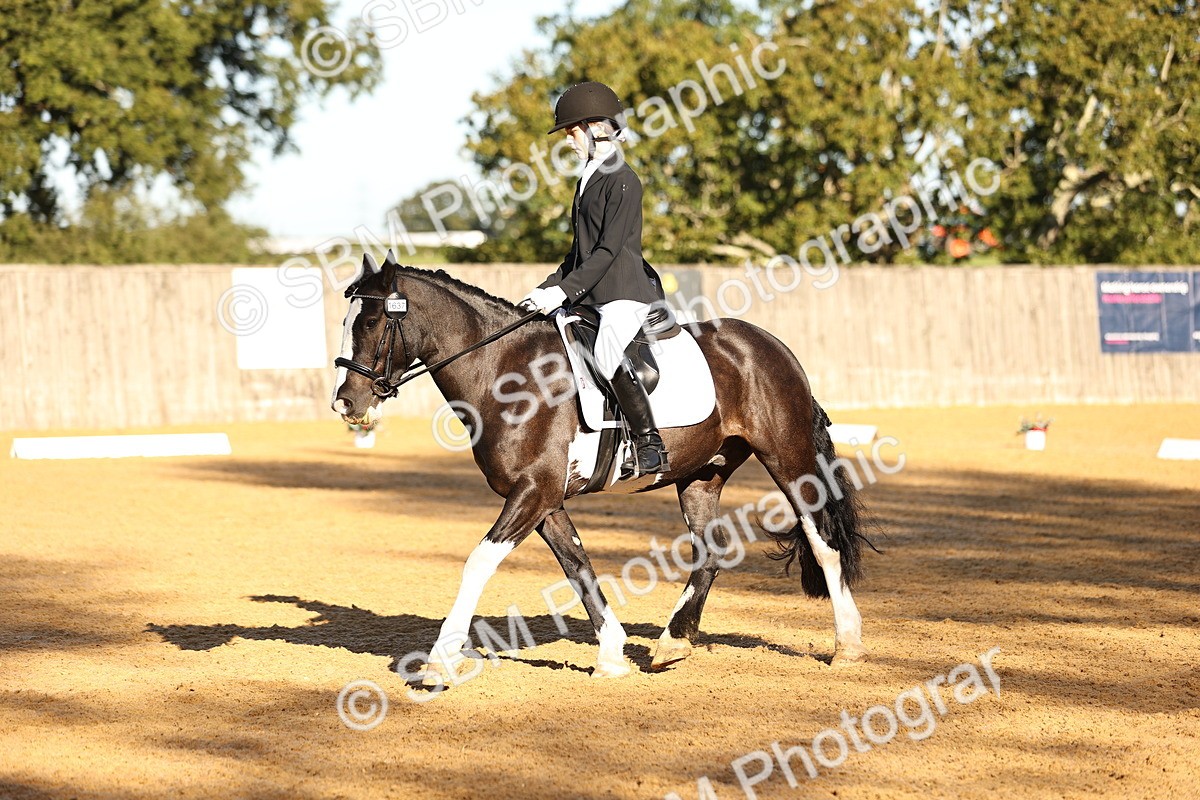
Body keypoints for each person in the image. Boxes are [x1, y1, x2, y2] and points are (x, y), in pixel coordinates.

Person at [519, 81, 671, 475]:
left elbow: (607, 250)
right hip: (590, 292)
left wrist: (565, 292)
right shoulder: (588, 178)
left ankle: (648, 443)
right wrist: (548, 288)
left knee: (605, 350)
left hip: (624, 292)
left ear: (596, 128)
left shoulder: (624, 180)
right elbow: (579, 252)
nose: (569, 141)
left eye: (571, 132)